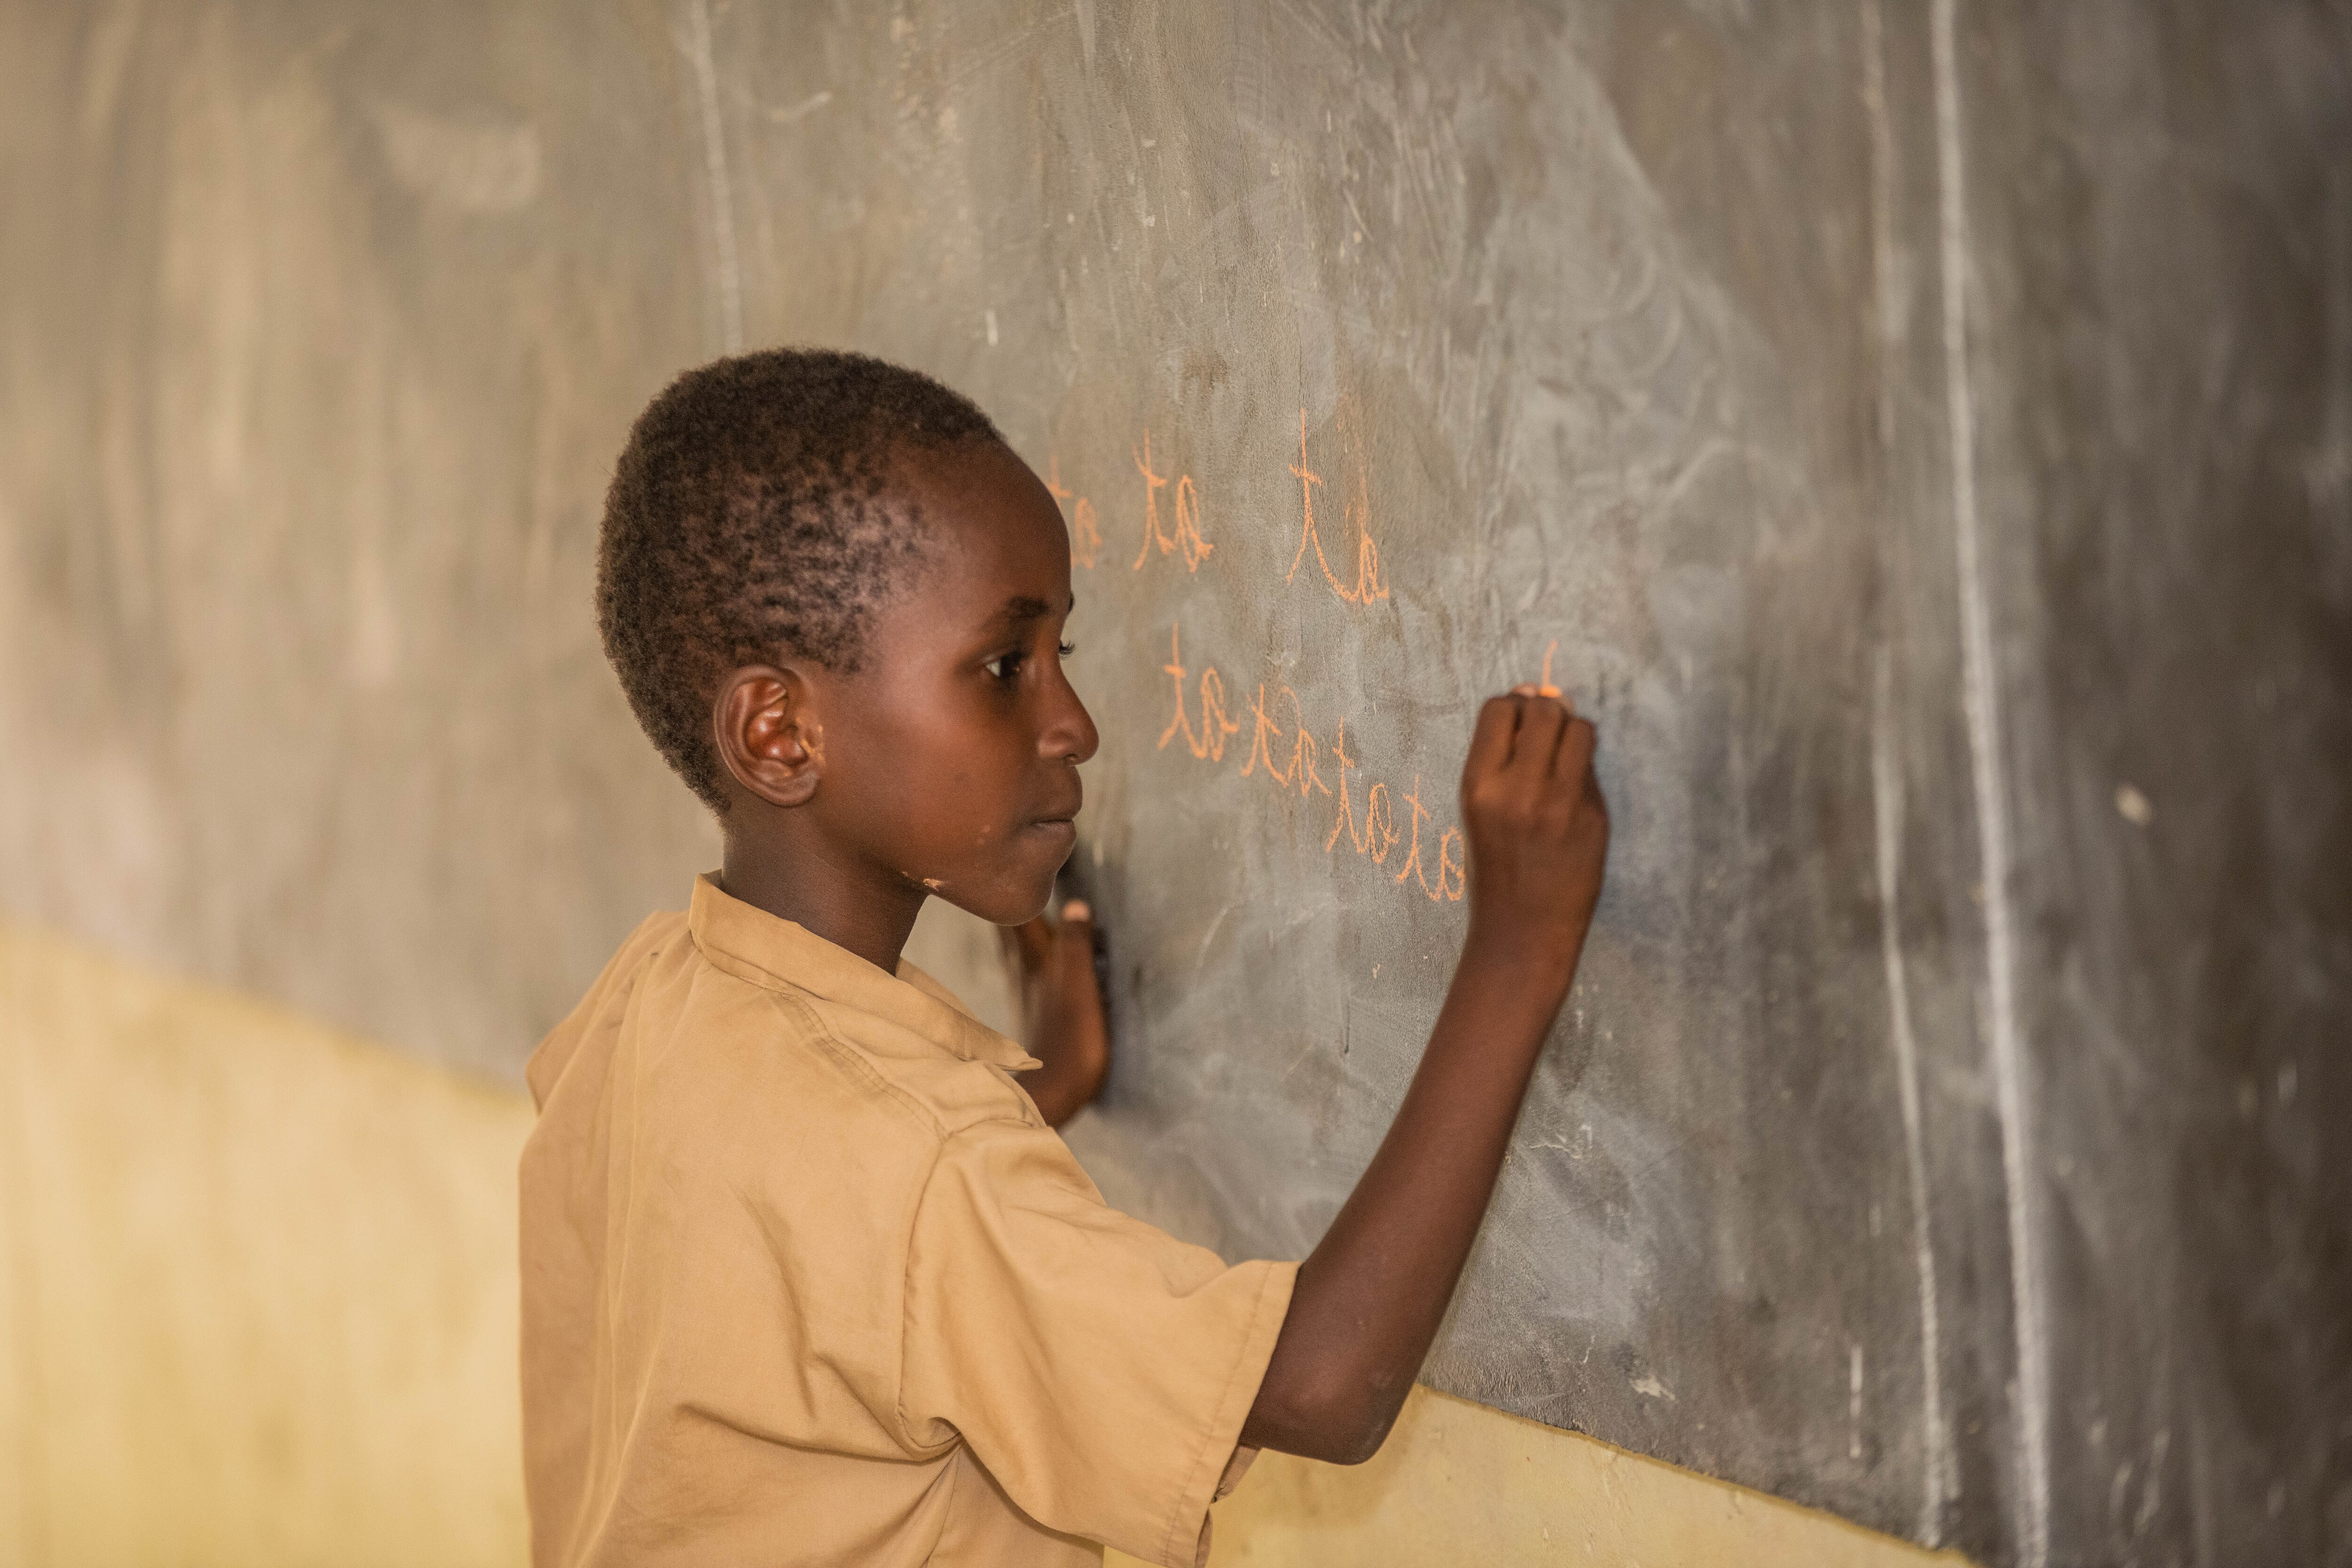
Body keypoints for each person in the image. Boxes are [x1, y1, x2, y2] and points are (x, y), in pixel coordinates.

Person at [519, 349, 1608, 1568]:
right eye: (1001, 668)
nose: (1072, 724)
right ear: (780, 733)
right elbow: (1322, 1386)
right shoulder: (922, 1169)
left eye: (1062, 659)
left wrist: (1040, 1103)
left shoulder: (651, 1003)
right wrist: (1518, 952)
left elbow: (797, 1253)